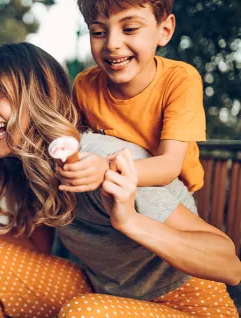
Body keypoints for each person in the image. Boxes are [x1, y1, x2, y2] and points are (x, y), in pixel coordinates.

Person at [0, 42, 241, 318]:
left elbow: (228, 263)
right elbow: (42, 251)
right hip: (109, 296)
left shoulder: (103, 158)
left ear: (38, 98)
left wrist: (130, 220)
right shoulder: (34, 168)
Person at [60, 0, 206, 195]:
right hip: (116, 189)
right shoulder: (84, 85)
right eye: (98, 32)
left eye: (129, 29)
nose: (112, 44)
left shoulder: (180, 80)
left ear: (164, 30)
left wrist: (105, 168)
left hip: (173, 192)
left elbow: (169, 165)